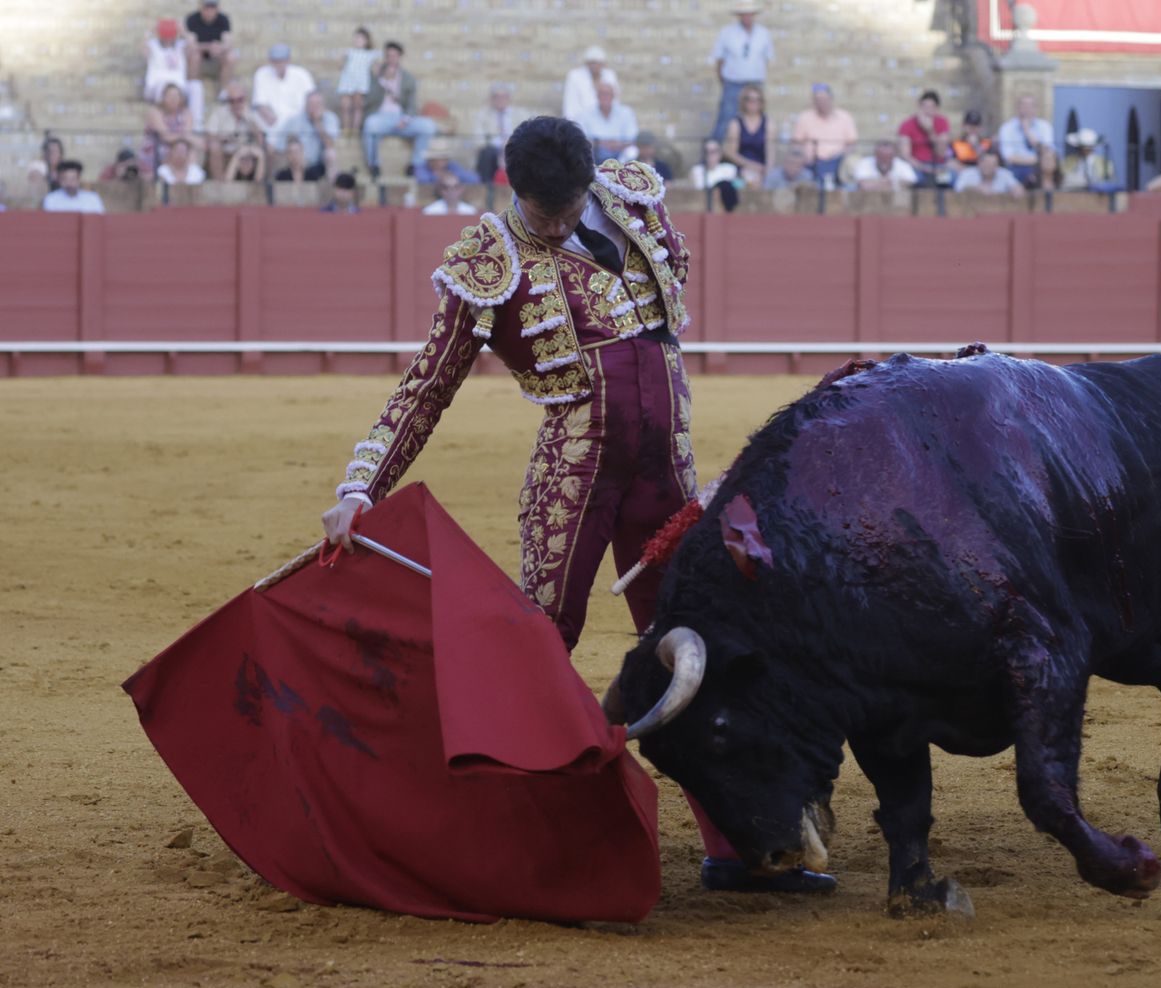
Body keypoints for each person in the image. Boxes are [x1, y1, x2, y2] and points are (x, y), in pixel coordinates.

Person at [319, 116, 828, 895]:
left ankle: (740, 843)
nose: (555, 226)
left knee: (695, 645)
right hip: (578, 475)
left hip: (666, 473)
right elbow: (427, 385)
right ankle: (508, 838)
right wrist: (360, 486)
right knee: (543, 640)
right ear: (510, 188)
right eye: (541, 215)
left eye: (565, 210)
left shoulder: (630, 201)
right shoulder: (487, 261)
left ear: (591, 180)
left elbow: (668, 309)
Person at [362, 41, 437, 177]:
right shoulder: (375, 76)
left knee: (428, 126)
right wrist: (380, 80)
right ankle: (374, 164)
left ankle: (416, 164)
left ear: (399, 57)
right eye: (388, 56)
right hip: (381, 117)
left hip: (401, 117)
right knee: (370, 125)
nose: (391, 59)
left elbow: (411, 104)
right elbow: (368, 101)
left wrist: (406, 119)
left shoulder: (408, 79)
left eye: (394, 56)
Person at [709, 2, 773, 143]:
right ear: (739, 16)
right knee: (725, 119)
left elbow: (766, 59)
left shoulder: (763, 33)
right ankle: (711, 157)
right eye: (744, 14)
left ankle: (754, 155)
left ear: (754, 15)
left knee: (756, 122)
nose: (747, 17)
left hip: (755, 82)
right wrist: (725, 81)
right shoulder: (727, 32)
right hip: (733, 82)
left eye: (749, 14)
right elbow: (720, 60)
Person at [252, 44, 316, 156]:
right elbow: (261, 105)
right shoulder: (261, 74)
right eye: (275, 61)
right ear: (271, 61)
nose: (279, 64)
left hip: (299, 121)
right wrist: (277, 127)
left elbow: (312, 100)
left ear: (288, 60)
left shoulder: (302, 74)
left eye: (282, 60)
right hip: (272, 122)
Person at [790, 83, 857, 185]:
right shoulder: (805, 117)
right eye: (818, 100)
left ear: (831, 99)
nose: (821, 103)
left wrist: (843, 158)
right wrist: (804, 157)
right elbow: (796, 143)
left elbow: (851, 144)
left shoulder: (844, 117)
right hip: (811, 163)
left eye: (824, 99)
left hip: (837, 163)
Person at [204, 81, 263, 179]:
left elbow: (261, 140)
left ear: (245, 99)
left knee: (254, 154)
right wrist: (224, 139)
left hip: (245, 151)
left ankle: (257, 189)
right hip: (225, 150)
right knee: (214, 147)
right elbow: (209, 136)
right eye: (232, 101)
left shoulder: (252, 114)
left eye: (239, 100)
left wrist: (248, 120)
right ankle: (220, 185)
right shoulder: (219, 113)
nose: (236, 104)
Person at [475, 84, 531, 183]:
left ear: (509, 98)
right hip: (492, 150)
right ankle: (487, 187)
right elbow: (478, 140)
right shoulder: (482, 115)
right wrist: (500, 148)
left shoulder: (521, 114)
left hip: (515, 148)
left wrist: (508, 146)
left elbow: (527, 135)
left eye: (504, 96)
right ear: (491, 99)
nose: (500, 100)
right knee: (487, 153)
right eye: (497, 96)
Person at [897, 90, 953, 187]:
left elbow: (941, 153)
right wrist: (923, 168)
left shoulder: (942, 122)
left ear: (936, 109)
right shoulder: (907, 124)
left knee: (949, 180)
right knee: (913, 179)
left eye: (931, 107)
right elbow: (905, 155)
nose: (927, 110)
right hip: (916, 166)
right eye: (924, 106)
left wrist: (930, 131)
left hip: (938, 166)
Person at [279, 91, 340, 177]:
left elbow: (329, 144)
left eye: (317, 104)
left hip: (319, 164)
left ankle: (334, 187)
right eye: (311, 104)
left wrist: (318, 123)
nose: (314, 107)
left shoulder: (330, 118)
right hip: (297, 163)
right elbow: (282, 146)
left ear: (323, 105)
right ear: (305, 106)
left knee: (330, 154)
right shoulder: (294, 121)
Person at [996, 94, 1052, 184]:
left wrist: (1027, 132)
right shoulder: (1007, 128)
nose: (1027, 109)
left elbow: (1046, 152)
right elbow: (1008, 156)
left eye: (1030, 106)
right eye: (1024, 106)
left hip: (1038, 168)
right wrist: (1034, 160)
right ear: (1018, 108)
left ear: (1036, 108)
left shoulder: (1044, 126)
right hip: (1015, 168)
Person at [336, 28, 380, 140]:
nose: (358, 40)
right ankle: (346, 127)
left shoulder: (370, 54)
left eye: (361, 38)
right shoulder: (349, 52)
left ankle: (355, 128)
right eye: (357, 38)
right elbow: (340, 65)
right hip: (347, 80)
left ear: (366, 41)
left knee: (357, 106)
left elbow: (376, 68)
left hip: (360, 82)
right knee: (345, 106)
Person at [578, 82, 638, 163]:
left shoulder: (626, 112)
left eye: (608, 94)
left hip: (620, 151)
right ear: (597, 96)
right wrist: (600, 144)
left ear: (613, 96)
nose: (605, 97)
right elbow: (582, 138)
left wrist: (617, 145)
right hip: (596, 151)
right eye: (602, 94)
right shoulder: (586, 114)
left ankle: (623, 173)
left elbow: (632, 139)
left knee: (632, 151)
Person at [722, 83, 770, 185]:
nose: (754, 103)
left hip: (761, 169)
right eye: (750, 100)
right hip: (741, 167)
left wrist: (767, 171)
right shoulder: (735, 124)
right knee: (749, 179)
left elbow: (770, 152)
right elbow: (730, 153)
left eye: (757, 100)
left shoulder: (768, 124)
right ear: (744, 102)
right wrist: (751, 165)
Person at [184, 1, 237, 87]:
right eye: (207, 8)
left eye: (212, 8)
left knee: (230, 57)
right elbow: (191, 44)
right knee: (194, 56)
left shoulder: (223, 19)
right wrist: (209, 47)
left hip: (217, 54)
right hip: (200, 53)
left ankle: (224, 90)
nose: (209, 11)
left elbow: (228, 42)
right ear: (201, 8)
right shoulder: (192, 19)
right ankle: (194, 89)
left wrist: (219, 48)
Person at [144, 83, 196, 171]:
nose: (173, 99)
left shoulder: (186, 112)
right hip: (157, 145)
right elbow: (165, 136)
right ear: (163, 98)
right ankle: (166, 180)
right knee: (169, 150)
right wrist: (182, 137)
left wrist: (183, 139)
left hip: (180, 145)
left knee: (188, 151)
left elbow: (188, 133)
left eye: (176, 96)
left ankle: (191, 180)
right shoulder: (155, 111)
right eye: (170, 96)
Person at [562, 46, 619, 123]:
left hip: (605, 123)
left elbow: (615, 101)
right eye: (592, 63)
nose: (595, 66)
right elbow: (570, 106)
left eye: (598, 63)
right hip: (581, 122)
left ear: (603, 64)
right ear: (587, 63)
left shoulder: (610, 75)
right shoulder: (575, 76)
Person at [143, 20, 189, 106]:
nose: (168, 40)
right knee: (167, 91)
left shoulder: (181, 45)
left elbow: (193, 44)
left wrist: (183, 32)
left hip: (178, 86)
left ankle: (195, 119)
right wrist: (149, 32)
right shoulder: (152, 44)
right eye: (165, 37)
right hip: (155, 85)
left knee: (195, 87)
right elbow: (143, 51)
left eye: (170, 37)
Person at [692, 138, 741, 211]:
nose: (710, 155)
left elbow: (739, 186)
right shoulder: (697, 171)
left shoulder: (730, 169)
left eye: (713, 151)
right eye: (706, 152)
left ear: (720, 153)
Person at [850, 140, 917, 191]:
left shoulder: (902, 164)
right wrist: (892, 182)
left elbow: (910, 183)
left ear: (893, 156)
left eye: (888, 157)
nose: (884, 160)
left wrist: (876, 183)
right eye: (881, 156)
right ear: (875, 155)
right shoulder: (864, 163)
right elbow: (864, 185)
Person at [953, 149, 1023, 198]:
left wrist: (1016, 189)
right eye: (985, 163)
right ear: (979, 163)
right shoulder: (967, 174)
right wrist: (977, 189)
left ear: (997, 166)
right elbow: (958, 189)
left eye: (991, 164)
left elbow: (1017, 188)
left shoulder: (1004, 174)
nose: (988, 167)